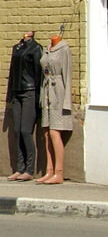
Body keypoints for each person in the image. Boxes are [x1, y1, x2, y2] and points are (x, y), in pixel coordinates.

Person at [5, 30, 43, 180]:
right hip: (17, 91)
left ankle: (29, 169)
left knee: (26, 131)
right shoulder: (17, 48)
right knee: (16, 130)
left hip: (30, 91)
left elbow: (38, 74)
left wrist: (38, 99)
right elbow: (12, 72)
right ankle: (19, 168)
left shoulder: (36, 48)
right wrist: (10, 95)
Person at [37, 33, 74, 184]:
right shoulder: (47, 49)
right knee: (46, 132)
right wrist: (41, 97)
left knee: (54, 132)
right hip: (46, 92)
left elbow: (67, 75)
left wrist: (66, 102)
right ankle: (49, 170)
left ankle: (59, 172)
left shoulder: (64, 49)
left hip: (58, 92)